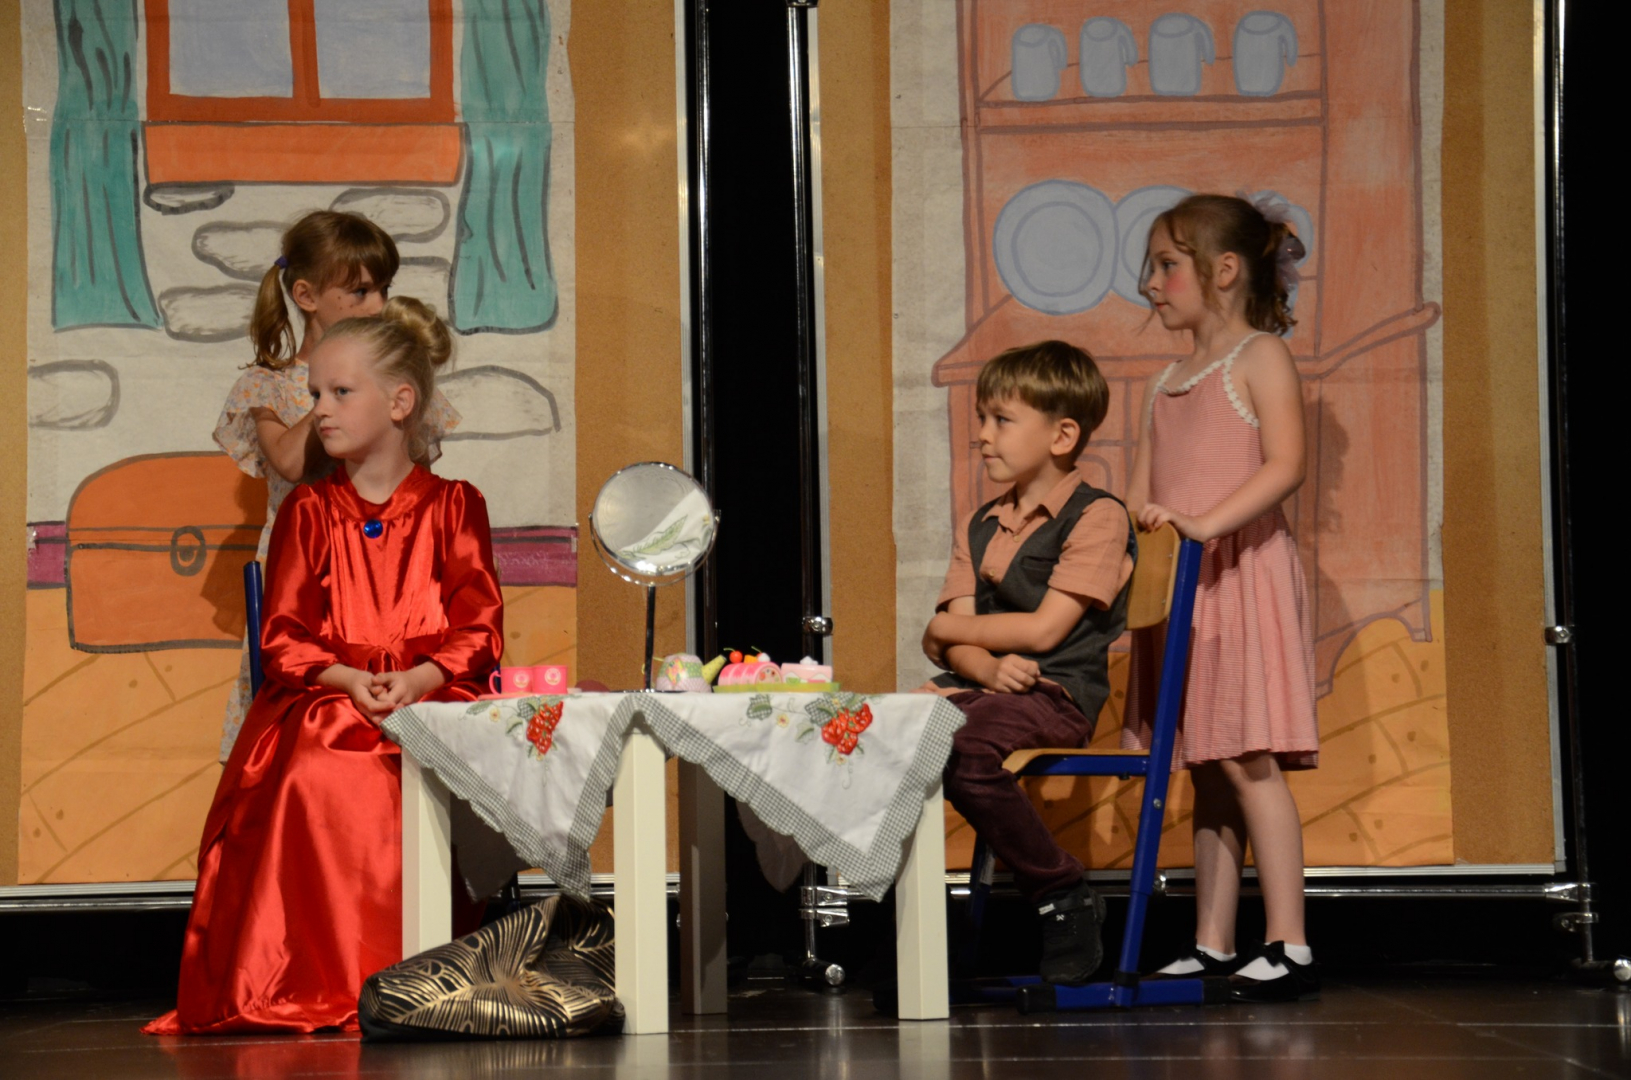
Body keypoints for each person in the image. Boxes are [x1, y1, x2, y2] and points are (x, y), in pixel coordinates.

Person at [145, 298, 503, 1035]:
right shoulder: (308, 512)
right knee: (323, 751)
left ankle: (416, 971)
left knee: (428, 748)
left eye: (340, 392)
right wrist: (346, 680)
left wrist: (421, 678)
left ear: (400, 402)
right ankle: (322, 974)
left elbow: (478, 627)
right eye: (316, 393)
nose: (322, 410)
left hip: (432, 693)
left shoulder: (455, 506)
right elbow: (283, 636)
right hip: (327, 695)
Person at [1125, 193, 1319, 1002]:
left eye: (1167, 265)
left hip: (1238, 574)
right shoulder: (1164, 380)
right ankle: (1212, 939)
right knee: (1207, 763)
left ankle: (1289, 940)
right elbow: (1141, 491)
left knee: (1247, 757)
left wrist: (1204, 524)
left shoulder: (1258, 356)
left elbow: (1285, 464)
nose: (1151, 283)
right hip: (1182, 582)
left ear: (1225, 270)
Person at [920, 341, 1136, 985]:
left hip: (1054, 694)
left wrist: (946, 631)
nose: (983, 435)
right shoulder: (981, 523)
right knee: (886, 736)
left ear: (1062, 435)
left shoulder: (1096, 516)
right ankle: (915, 930)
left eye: (1001, 420)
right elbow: (955, 642)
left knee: (965, 749)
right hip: (979, 689)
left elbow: (1045, 630)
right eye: (981, 419)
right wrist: (980, 666)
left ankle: (1061, 892)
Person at [213, 210, 460, 762]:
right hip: (303, 572)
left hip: (386, 571)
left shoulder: (387, 378)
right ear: (306, 296)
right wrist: (335, 385)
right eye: (361, 292)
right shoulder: (269, 385)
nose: (378, 305)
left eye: (383, 290)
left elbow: (414, 472)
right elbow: (288, 463)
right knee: (298, 727)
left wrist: (379, 377)